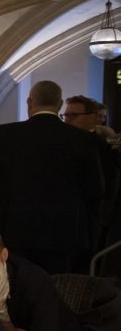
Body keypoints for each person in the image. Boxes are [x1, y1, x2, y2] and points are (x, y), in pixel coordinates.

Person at [0, 80, 103, 274]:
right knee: (56, 292)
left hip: (15, 231)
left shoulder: (5, 134)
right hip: (64, 234)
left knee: (17, 290)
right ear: (59, 104)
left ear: (30, 103)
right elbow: (95, 189)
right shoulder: (83, 140)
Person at [63, 94, 119, 255]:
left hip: (93, 220)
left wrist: (103, 219)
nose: (67, 120)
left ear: (92, 118)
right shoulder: (62, 145)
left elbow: (110, 185)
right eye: (65, 115)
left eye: (73, 116)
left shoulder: (103, 146)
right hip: (66, 219)